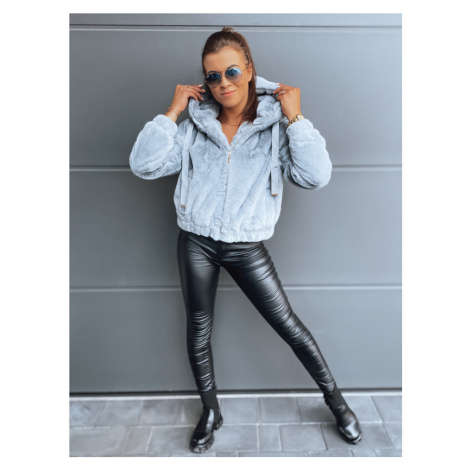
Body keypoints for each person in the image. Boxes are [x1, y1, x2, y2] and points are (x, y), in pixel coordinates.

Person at [129, 26, 362, 453]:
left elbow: (314, 176)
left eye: (232, 71)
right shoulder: (197, 123)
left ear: (250, 69)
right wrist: (172, 111)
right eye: (213, 76)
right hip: (196, 241)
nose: (224, 83)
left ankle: (337, 403)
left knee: (289, 326)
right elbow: (144, 166)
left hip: (245, 245)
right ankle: (210, 411)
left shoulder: (274, 125)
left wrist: (296, 118)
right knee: (198, 329)